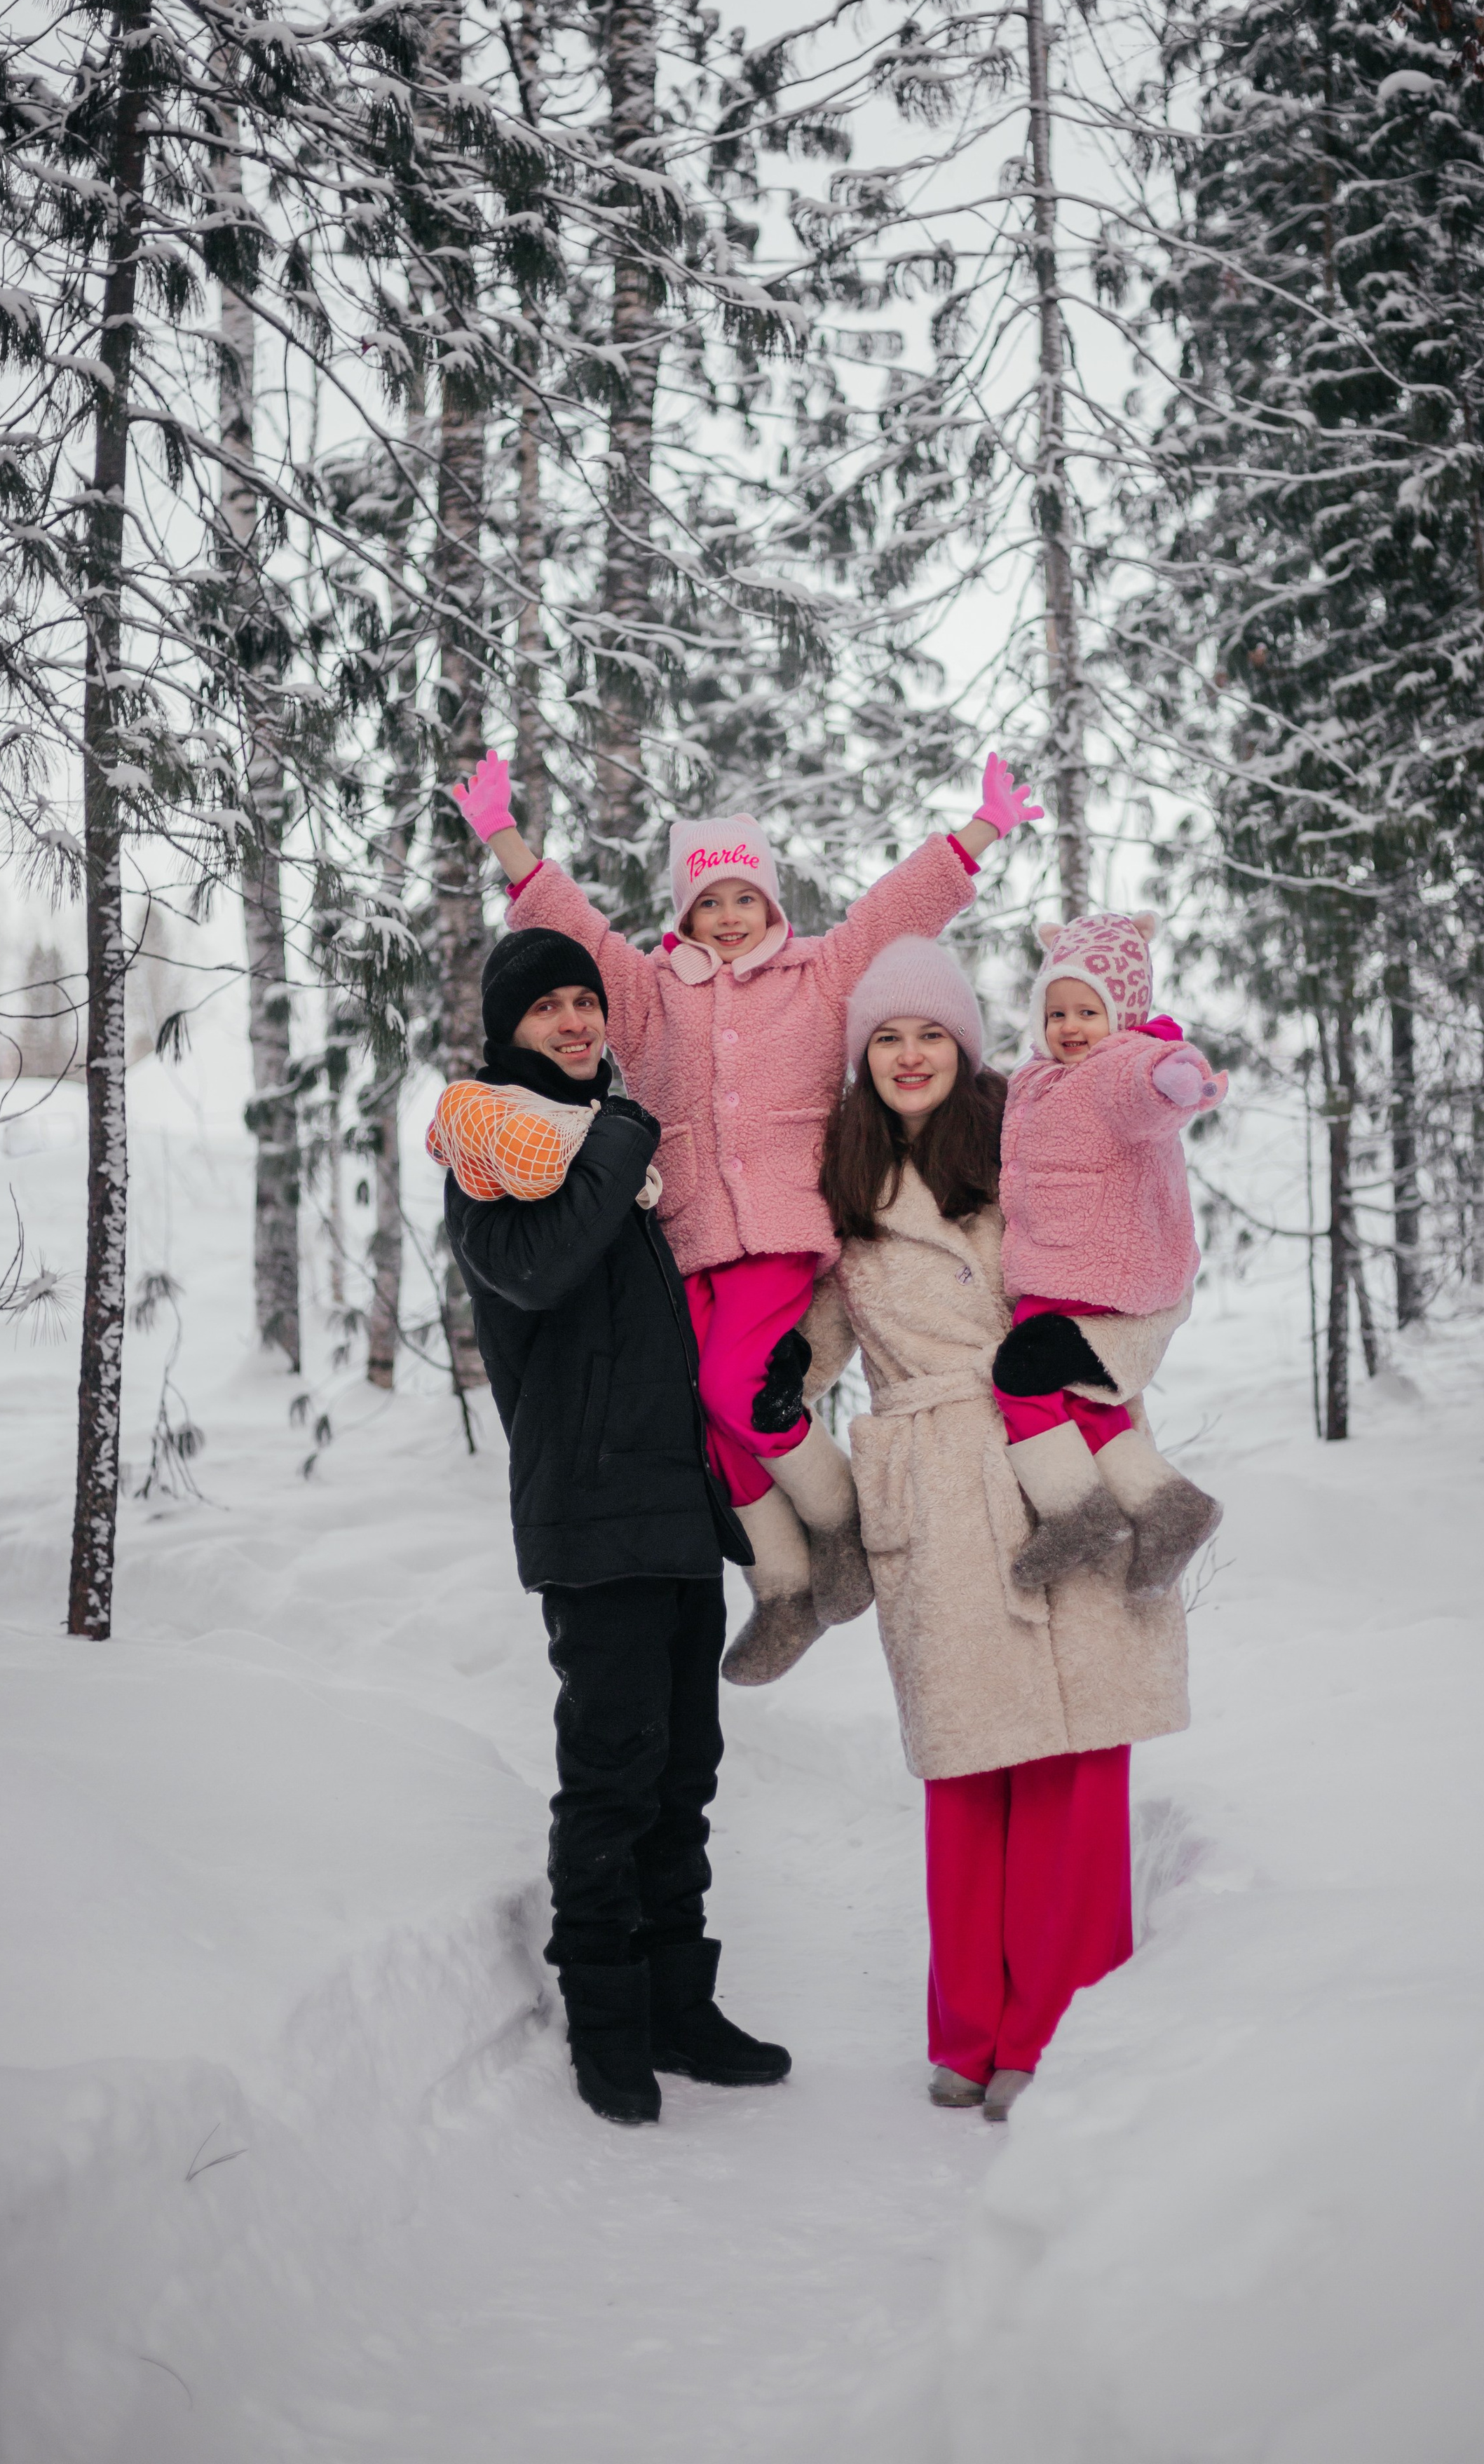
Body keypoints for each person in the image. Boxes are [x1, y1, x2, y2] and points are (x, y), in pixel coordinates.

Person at [446, 747, 1042, 1687]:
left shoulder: (820, 976)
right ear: (685, 913)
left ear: (772, 904)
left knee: (734, 1389)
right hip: (686, 1240)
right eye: (708, 904)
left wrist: (979, 832)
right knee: (706, 1416)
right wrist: (503, 838)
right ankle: (785, 1583)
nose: (727, 919)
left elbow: (896, 913)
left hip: (780, 1231)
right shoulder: (646, 997)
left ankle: (845, 1527)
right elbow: (580, 933)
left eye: (744, 900)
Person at [801, 936, 1194, 2124]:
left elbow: (1149, 1270)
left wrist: (1084, 1357)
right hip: (928, 1479)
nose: (910, 1053)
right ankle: (972, 2029)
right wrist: (775, 1380)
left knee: (1076, 1759)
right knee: (970, 1767)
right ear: (864, 1059)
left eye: (931, 1033)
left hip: (1060, 1456)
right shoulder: (845, 1184)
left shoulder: (1041, 1140)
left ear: (966, 1046)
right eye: (887, 1036)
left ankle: (1062, 2032)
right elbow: (811, 1332)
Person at [442, 924, 789, 2128]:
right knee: (612, 1775)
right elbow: (535, 1276)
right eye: (550, 1009)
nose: (579, 1022)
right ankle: (605, 2024)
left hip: (670, 1506)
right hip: (590, 1509)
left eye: (588, 1001)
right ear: (511, 1032)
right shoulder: (497, 1151)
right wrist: (626, 1138)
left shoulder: (606, 1155)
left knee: (684, 1772)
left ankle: (678, 2007)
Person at [991, 911, 1227, 1592]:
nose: (1070, 1026)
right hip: (1056, 1262)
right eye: (1056, 1010)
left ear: (1119, 1013)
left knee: (1018, 1374)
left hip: (1098, 1270)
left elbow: (1149, 1085)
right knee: (1087, 1403)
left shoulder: (1119, 1064)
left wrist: (1176, 1082)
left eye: (1087, 1011)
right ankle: (1170, 1507)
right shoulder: (1036, 1078)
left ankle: (1075, 1514)